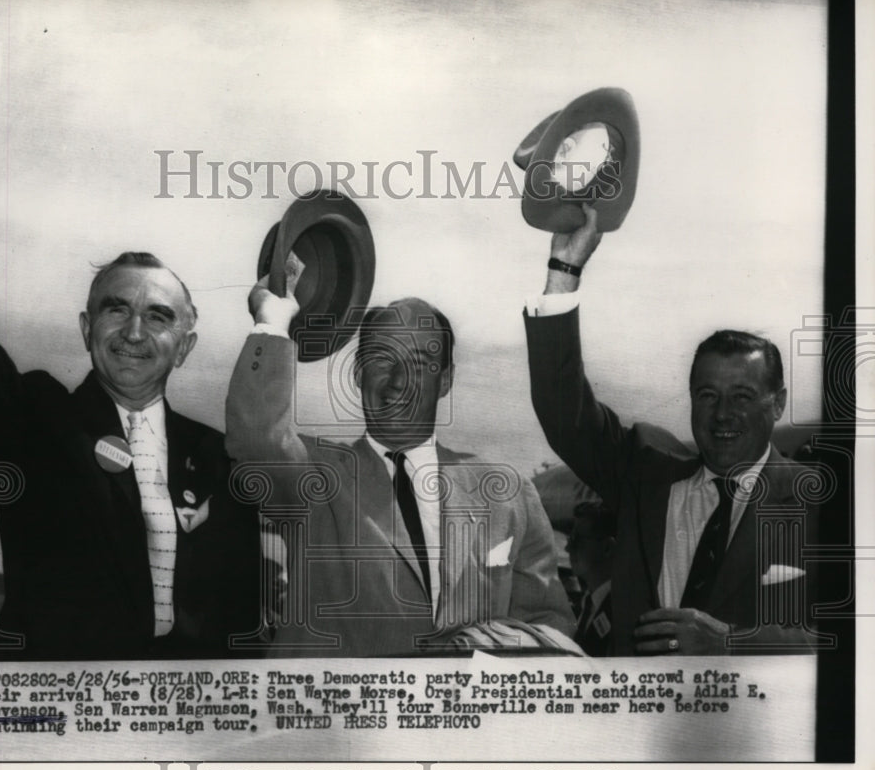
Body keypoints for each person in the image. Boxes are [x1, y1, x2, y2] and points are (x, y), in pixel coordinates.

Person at [0, 0, 262, 660]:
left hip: (189, 732)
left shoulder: (219, 459)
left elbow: (241, 615)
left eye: (158, 315)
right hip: (62, 734)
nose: (133, 328)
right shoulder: (34, 422)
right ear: (85, 326)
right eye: (115, 307)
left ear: (185, 345)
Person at [225, 266, 577, 656]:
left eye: (418, 362)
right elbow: (256, 436)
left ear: (445, 381)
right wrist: (272, 320)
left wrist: (482, 650)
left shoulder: (509, 492)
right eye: (381, 360)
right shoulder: (318, 474)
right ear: (358, 374)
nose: (398, 381)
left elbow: (550, 624)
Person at [525, 204, 818, 655]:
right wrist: (565, 269)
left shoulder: (824, 501)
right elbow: (564, 410)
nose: (722, 414)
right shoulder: (648, 475)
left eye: (742, 396)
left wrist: (731, 643)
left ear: (776, 402)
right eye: (707, 395)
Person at [566, 502, 616, 657]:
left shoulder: (623, 613)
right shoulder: (582, 606)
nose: (568, 548)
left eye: (576, 540)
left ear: (607, 547)